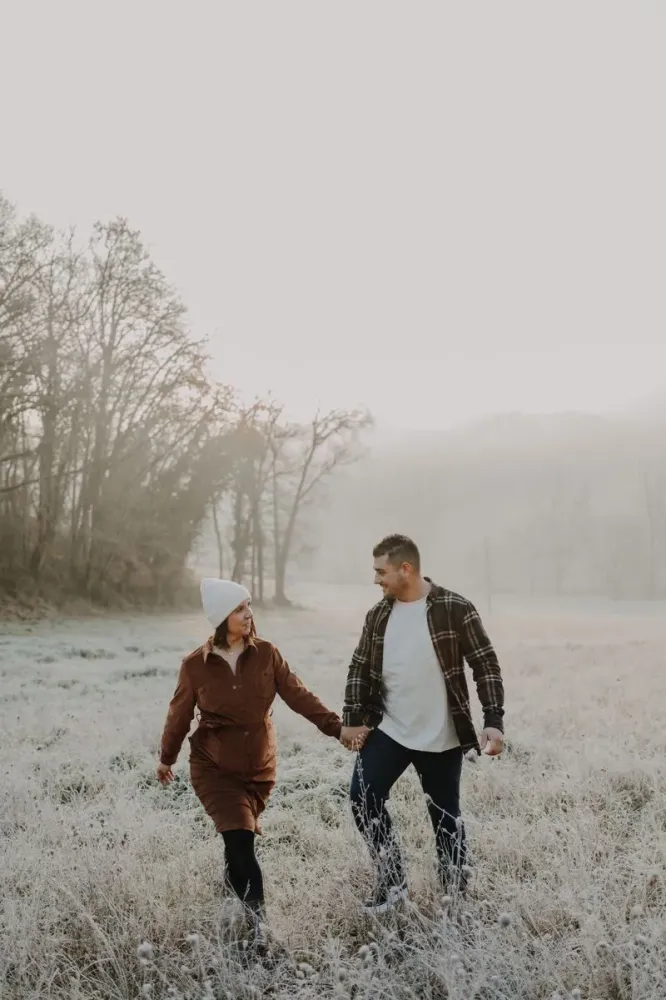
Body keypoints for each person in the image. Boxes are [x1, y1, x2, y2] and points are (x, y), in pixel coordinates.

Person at [156, 578, 343, 945]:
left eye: (249, 606)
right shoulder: (195, 665)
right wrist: (166, 759)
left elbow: (299, 696)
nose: (248, 615)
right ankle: (259, 931)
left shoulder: (267, 654)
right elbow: (178, 716)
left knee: (236, 843)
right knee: (241, 839)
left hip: (259, 767)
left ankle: (230, 907)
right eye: (239, 609)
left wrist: (337, 729)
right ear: (221, 617)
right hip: (213, 766)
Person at [340, 534, 505, 914]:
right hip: (391, 729)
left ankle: (454, 895)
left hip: (442, 735)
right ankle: (391, 881)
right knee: (363, 798)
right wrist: (351, 719)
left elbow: (485, 664)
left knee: (446, 818)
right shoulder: (379, 614)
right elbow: (360, 667)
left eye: (381, 572)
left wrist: (493, 720)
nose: (377, 580)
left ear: (406, 569)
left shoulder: (454, 608)